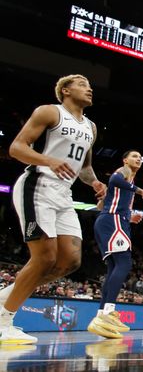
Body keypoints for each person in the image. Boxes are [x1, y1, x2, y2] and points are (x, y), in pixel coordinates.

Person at [0, 74, 107, 344]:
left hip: (64, 194)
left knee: (69, 261)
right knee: (44, 258)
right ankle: (4, 319)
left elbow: (83, 167)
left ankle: (4, 297)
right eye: (83, 84)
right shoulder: (49, 112)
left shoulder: (91, 128)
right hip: (38, 185)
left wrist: (94, 182)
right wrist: (48, 160)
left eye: (90, 85)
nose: (89, 88)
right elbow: (16, 148)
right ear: (66, 90)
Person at [88, 150, 143, 339]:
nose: (138, 158)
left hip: (112, 220)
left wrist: (128, 215)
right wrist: (142, 192)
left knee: (113, 267)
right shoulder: (124, 171)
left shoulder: (129, 179)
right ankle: (108, 312)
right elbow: (114, 180)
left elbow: (106, 203)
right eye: (134, 156)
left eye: (141, 157)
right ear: (125, 160)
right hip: (113, 221)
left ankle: (101, 316)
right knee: (124, 263)